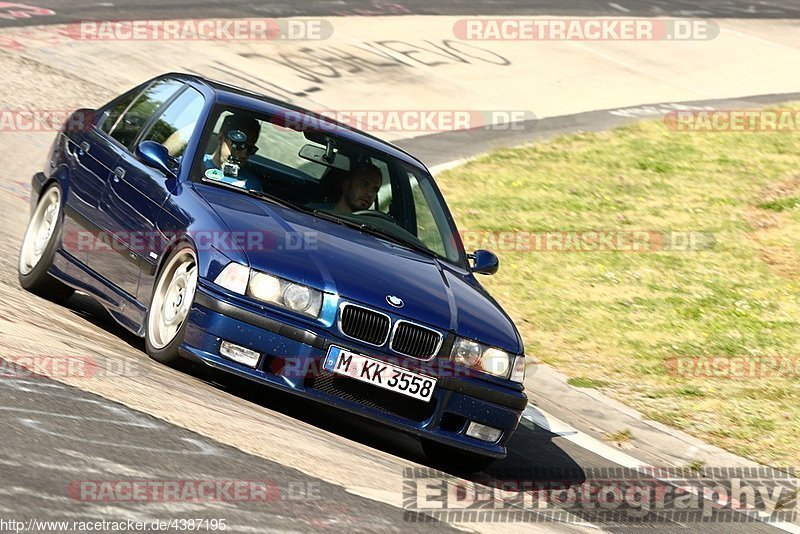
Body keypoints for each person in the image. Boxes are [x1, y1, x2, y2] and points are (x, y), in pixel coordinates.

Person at [203, 114, 263, 191]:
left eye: (250, 149)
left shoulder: (251, 185)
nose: (244, 154)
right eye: (239, 146)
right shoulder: (194, 165)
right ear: (221, 138)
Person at [313, 163, 382, 213]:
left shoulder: (374, 227)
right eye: (364, 184)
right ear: (346, 184)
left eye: (375, 189)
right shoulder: (314, 212)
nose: (370, 194)